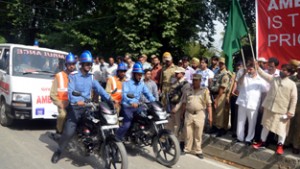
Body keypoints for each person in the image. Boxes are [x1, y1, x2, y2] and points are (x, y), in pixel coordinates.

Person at [51, 50, 112, 163]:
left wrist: (108, 98)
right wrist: (76, 101)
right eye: (86, 63)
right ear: (82, 64)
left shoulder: (91, 77)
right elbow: (71, 91)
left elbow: (99, 88)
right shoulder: (74, 76)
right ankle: (59, 151)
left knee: (98, 124)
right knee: (69, 132)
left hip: (88, 108)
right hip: (75, 108)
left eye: (90, 64)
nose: (89, 66)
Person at [253, 63, 297, 155]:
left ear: (289, 73)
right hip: (269, 107)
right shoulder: (274, 79)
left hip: (282, 110)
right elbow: (264, 75)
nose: (282, 71)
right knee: (266, 126)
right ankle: (262, 142)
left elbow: (294, 99)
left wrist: (291, 112)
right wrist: (257, 68)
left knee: (281, 130)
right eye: (282, 69)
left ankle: (280, 146)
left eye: (285, 70)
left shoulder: (292, 84)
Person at [115, 62, 156, 140]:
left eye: (141, 74)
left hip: (137, 106)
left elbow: (148, 94)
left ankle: (141, 134)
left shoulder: (142, 84)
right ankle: (116, 138)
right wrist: (132, 101)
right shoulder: (126, 83)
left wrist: (154, 101)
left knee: (147, 117)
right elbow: (126, 94)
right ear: (134, 74)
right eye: (138, 74)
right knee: (127, 124)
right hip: (127, 107)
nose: (140, 76)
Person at [180, 74, 212, 159]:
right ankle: (187, 149)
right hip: (188, 113)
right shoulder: (187, 90)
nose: (195, 82)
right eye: (193, 80)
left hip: (199, 113)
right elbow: (184, 103)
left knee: (198, 133)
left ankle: (198, 150)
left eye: (197, 80)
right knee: (188, 132)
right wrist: (182, 114)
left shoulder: (205, 91)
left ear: (200, 81)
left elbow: (209, 104)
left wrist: (210, 117)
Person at [234, 63, 267, 145]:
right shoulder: (245, 77)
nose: (249, 69)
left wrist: (263, 104)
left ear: (256, 69)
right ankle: (240, 137)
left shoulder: (261, 80)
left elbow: (265, 91)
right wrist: (244, 74)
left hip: (253, 104)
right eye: (249, 68)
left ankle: (249, 139)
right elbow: (239, 83)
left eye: (251, 68)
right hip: (243, 102)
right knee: (240, 121)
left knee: (252, 122)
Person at [50, 52, 76, 136]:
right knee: (63, 115)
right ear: (66, 64)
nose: (71, 66)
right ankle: (59, 131)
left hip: (75, 103)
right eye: (69, 64)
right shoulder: (59, 76)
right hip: (62, 103)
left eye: (73, 64)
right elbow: (52, 94)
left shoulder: (77, 76)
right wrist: (59, 103)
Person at [168, 67, 190, 152]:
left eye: (178, 73)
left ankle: (179, 143)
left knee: (178, 126)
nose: (176, 74)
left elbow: (183, 99)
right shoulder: (175, 82)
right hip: (172, 105)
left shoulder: (185, 84)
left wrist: (177, 108)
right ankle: (170, 141)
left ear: (182, 74)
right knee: (171, 124)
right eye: (176, 73)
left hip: (179, 108)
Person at [210, 57, 231, 137]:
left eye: (222, 63)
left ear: (225, 64)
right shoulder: (217, 72)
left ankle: (220, 128)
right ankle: (215, 126)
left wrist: (217, 98)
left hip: (221, 95)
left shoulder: (225, 74)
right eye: (220, 63)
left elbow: (222, 87)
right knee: (215, 111)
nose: (221, 65)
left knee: (220, 112)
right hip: (215, 93)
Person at [286, 63, 300, 154]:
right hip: (290, 105)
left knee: (298, 127)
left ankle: (296, 145)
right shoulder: (291, 79)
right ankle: (286, 142)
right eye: (299, 69)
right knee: (288, 124)